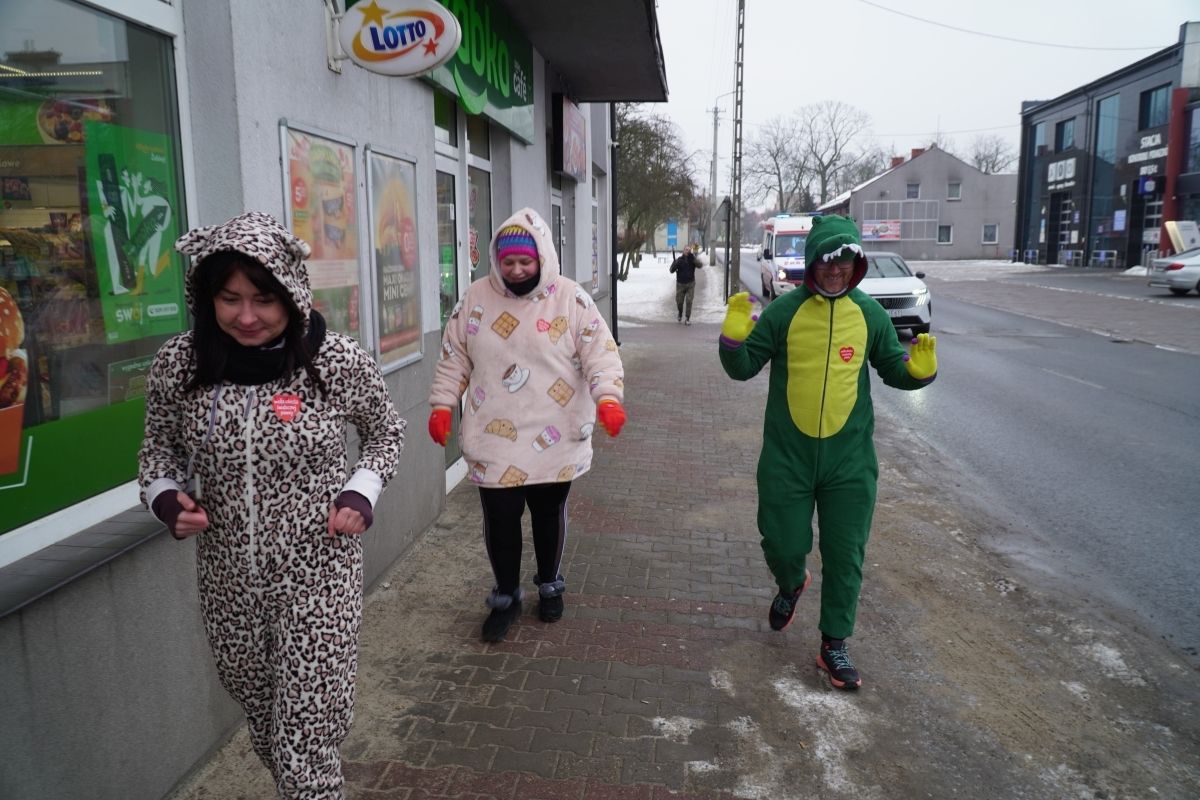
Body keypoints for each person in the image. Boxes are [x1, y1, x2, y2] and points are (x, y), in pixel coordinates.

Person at [138, 211, 405, 797]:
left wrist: (361, 490)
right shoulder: (181, 365)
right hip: (228, 582)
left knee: (306, 741)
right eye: (229, 299)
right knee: (265, 722)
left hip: (319, 574)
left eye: (263, 299)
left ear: (291, 293)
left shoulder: (335, 361)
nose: (246, 316)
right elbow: (158, 450)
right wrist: (166, 499)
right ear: (207, 299)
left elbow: (386, 431)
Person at [717, 214, 937, 690]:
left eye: (845, 262)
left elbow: (893, 370)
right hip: (788, 457)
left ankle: (834, 642)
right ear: (813, 262)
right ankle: (790, 583)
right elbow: (743, 368)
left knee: (845, 553)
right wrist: (732, 341)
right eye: (827, 261)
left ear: (857, 265)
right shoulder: (784, 312)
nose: (835, 271)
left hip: (849, 462)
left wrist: (918, 373)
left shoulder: (870, 315)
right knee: (782, 542)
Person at [427, 207, 627, 643]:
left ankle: (550, 583)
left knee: (547, 513)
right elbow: (454, 357)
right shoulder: (476, 299)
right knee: (500, 518)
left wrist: (608, 398)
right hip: (494, 432)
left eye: (525, 261)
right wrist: (443, 404)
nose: (516, 270)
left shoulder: (571, 299)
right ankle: (506, 596)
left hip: (554, 432)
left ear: (542, 258)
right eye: (508, 262)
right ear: (496, 260)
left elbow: (600, 353)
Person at [669, 242, 703, 324]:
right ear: (683, 251)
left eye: (688, 250)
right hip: (680, 284)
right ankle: (680, 313)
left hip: (690, 284)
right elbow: (671, 270)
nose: (687, 251)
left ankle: (687, 318)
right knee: (679, 301)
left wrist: (693, 258)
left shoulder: (692, 259)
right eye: (686, 249)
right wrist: (675, 264)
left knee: (689, 301)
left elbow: (700, 265)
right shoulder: (679, 260)